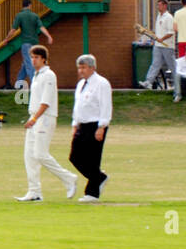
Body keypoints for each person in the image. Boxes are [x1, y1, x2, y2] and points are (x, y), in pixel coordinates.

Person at [14, 46, 79, 202]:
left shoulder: (49, 75)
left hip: (44, 119)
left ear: (43, 58)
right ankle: (34, 191)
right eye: (32, 57)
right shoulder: (35, 75)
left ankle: (69, 179)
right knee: (29, 156)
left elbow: (46, 101)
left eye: (36, 57)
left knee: (40, 154)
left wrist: (35, 118)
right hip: (34, 118)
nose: (33, 60)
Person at [69, 54, 113, 204]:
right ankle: (100, 177)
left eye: (84, 67)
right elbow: (78, 105)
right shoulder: (81, 84)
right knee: (75, 157)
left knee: (93, 159)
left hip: (95, 124)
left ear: (92, 68)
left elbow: (106, 105)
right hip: (82, 124)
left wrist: (102, 126)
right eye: (79, 67)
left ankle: (92, 193)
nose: (81, 70)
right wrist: (75, 124)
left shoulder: (101, 83)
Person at [6, 0, 53, 88]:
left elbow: (13, 30)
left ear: (23, 5)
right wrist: (49, 36)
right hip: (35, 43)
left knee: (29, 63)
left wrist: (7, 39)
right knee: (26, 63)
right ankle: (20, 84)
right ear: (30, 5)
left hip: (26, 43)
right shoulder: (35, 16)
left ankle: (34, 85)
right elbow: (41, 27)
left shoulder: (19, 16)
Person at [140, 0, 176, 89]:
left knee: (172, 65)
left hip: (167, 46)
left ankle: (179, 83)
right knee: (155, 64)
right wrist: (155, 39)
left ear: (165, 5)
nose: (158, 6)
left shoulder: (169, 17)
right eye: (157, 5)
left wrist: (162, 39)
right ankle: (149, 82)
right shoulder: (158, 16)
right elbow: (158, 31)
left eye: (159, 5)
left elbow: (171, 33)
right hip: (158, 45)